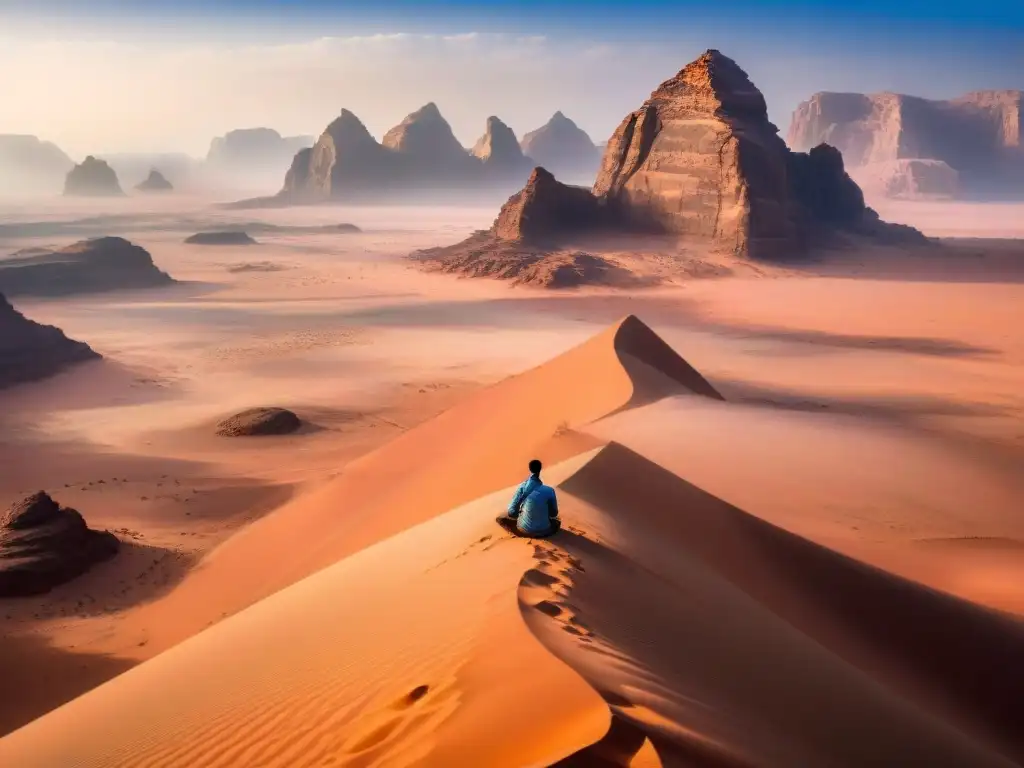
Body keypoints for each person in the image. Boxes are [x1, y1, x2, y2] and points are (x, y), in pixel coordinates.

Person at [497, 459, 560, 537]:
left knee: (501, 519)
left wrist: (520, 512)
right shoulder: (549, 490)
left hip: (524, 530)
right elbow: (554, 514)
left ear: (530, 469)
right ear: (540, 469)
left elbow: (511, 512)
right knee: (556, 522)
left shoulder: (522, 488)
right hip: (545, 531)